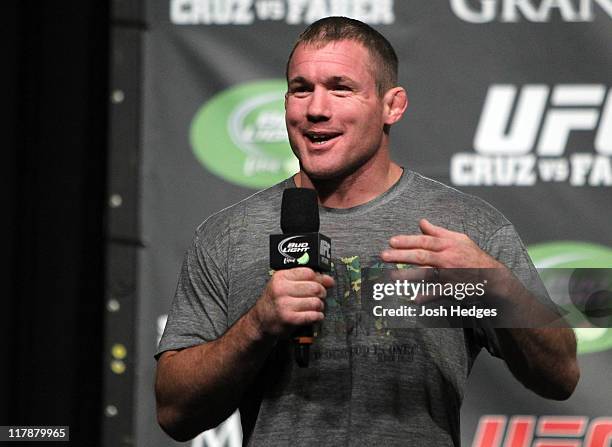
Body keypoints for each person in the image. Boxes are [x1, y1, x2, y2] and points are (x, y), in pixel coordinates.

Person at [155, 17, 579, 446]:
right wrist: (258, 324)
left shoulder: (465, 227)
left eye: (341, 88)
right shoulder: (228, 235)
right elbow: (174, 414)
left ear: (392, 105)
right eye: (301, 89)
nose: (316, 108)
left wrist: (498, 288)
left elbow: (560, 377)